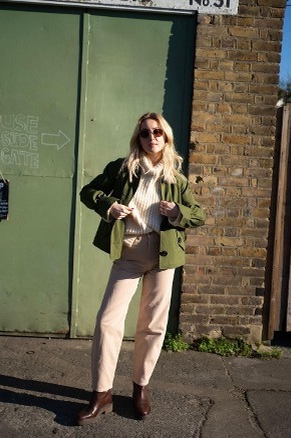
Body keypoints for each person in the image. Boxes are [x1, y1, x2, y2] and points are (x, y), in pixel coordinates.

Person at [77, 112, 205, 424]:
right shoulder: (122, 169)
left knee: (152, 326)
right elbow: (87, 192)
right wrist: (108, 205)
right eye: (146, 133)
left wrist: (177, 212)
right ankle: (101, 393)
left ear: (166, 137)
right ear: (139, 138)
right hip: (129, 252)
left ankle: (140, 388)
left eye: (157, 132)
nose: (152, 138)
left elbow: (198, 215)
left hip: (163, 257)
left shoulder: (177, 177)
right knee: (108, 321)